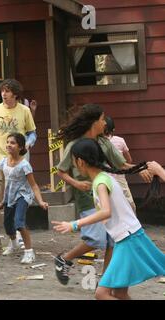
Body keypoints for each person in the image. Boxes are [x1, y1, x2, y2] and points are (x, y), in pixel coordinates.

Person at [52, 138, 164, 300]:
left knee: (101, 294)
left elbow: (106, 212)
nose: (74, 166)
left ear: (80, 162)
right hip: (127, 238)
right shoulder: (105, 178)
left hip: (128, 240)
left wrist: (75, 224)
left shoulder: (100, 182)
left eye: (73, 163)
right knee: (119, 293)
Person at [54, 104, 152, 285]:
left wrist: (142, 169)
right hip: (86, 197)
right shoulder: (75, 145)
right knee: (97, 239)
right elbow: (61, 171)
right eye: (102, 119)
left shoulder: (104, 142)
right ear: (93, 122)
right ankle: (64, 258)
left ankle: (106, 281)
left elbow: (121, 165)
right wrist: (76, 183)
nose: (104, 122)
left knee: (112, 241)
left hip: (103, 193)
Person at [0, 79, 37, 251]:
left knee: (17, 199)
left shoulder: (25, 111)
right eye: (2, 91)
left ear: (15, 94)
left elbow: (32, 133)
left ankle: (17, 235)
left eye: (8, 91)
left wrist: (29, 143)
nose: (4, 94)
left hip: (18, 163)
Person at [0, 133, 48, 263]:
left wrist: (40, 201)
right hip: (9, 196)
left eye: (13, 143)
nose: (9, 145)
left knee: (19, 222)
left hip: (23, 196)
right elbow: (4, 182)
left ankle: (29, 252)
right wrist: (2, 200)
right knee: (7, 225)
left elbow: (33, 185)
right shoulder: (3, 162)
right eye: (8, 142)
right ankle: (14, 243)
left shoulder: (25, 165)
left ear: (20, 147)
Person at [104, 116, 136, 211]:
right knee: (130, 205)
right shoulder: (120, 140)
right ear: (113, 129)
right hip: (119, 177)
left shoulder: (96, 142)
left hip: (103, 178)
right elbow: (129, 160)